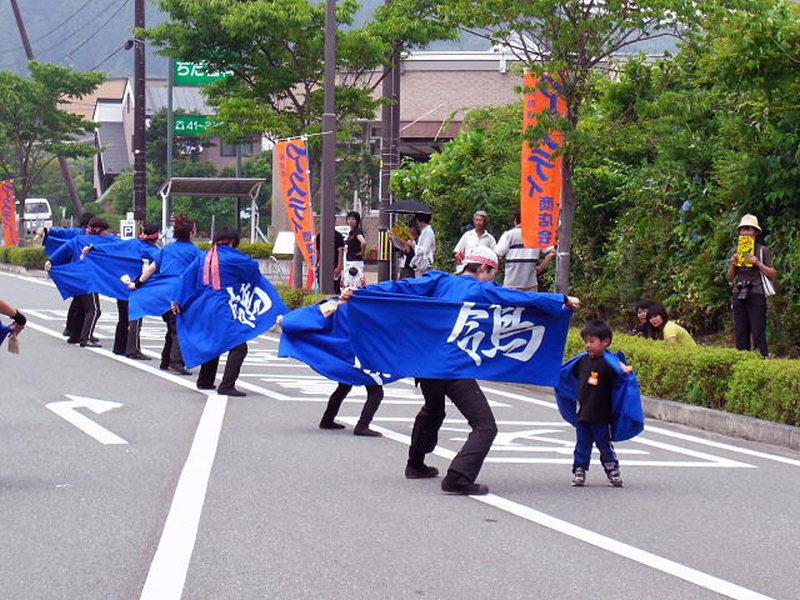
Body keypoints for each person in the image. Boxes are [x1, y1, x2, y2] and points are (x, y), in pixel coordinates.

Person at [402, 246, 579, 496]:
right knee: (485, 425)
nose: (492, 279)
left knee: (432, 409)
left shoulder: (439, 279)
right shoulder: (481, 289)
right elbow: (520, 299)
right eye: (492, 273)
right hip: (453, 367)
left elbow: (401, 289)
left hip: (426, 363)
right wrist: (560, 300)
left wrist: (361, 294)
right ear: (484, 268)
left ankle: (415, 464)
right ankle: (458, 477)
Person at [174, 226, 249, 397]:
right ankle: (227, 385)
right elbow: (252, 270)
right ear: (232, 242)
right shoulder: (234, 257)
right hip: (223, 306)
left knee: (212, 341)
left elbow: (186, 278)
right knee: (239, 346)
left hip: (202, 306)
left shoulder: (203, 257)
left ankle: (205, 380)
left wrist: (177, 300)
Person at [130, 215, 203, 374]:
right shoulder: (195, 251)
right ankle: (176, 361)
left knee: (172, 326)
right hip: (180, 292)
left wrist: (137, 284)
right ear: (191, 232)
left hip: (161, 292)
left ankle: (166, 360)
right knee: (179, 327)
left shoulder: (167, 249)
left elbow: (151, 269)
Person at [318, 260, 382, 436]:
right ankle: (362, 426)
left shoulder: (334, 304)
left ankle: (327, 419)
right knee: (376, 391)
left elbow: (311, 317)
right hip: (360, 357)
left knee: (344, 385)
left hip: (344, 356)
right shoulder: (364, 307)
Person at [568, 320, 634, 488]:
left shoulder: (608, 362)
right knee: (582, 444)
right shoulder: (581, 361)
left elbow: (620, 369)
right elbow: (567, 373)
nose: (587, 345)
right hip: (583, 413)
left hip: (601, 415)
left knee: (604, 444)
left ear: (605, 342)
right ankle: (579, 469)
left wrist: (625, 370)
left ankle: (612, 470)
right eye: (586, 341)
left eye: (592, 341)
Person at [46, 216, 111, 348]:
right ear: (98, 229)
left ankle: (75, 335)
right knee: (94, 310)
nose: (107, 233)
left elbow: (62, 250)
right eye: (105, 231)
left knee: (81, 308)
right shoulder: (101, 241)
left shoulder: (77, 239)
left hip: (77, 278)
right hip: (88, 279)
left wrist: (51, 261)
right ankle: (85, 338)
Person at [726, 214, 777, 356]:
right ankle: (743, 363)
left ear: (755, 232)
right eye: (743, 229)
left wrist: (758, 263)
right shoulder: (737, 251)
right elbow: (730, 277)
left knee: (758, 331)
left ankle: (761, 361)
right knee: (741, 332)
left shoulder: (762, 250)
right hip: (739, 292)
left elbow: (772, 273)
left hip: (756, 293)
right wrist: (733, 264)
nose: (746, 232)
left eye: (749, 229)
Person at [113, 224, 161, 360]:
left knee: (123, 317)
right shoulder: (152, 250)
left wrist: (94, 249)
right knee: (135, 318)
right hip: (136, 286)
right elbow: (159, 265)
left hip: (122, 284)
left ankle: (119, 347)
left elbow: (112, 248)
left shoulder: (131, 243)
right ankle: (133, 349)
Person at [494, 208, 556, 291]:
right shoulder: (537, 234)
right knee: (530, 304)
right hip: (530, 282)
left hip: (511, 282)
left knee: (511, 304)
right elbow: (552, 252)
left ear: (516, 220)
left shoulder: (509, 235)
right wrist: (540, 268)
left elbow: (498, 253)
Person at [316, 228, 346, 294]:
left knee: (335, 287)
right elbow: (318, 252)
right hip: (322, 266)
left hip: (335, 266)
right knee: (321, 286)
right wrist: (317, 265)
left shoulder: (338, 235)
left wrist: (339, 266)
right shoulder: (319, 235)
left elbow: (341, 252)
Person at [406, 212, 436, 277]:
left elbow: (424, 250)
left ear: (419, 220)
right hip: (420, 265)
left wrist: (412, 245)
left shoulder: (428, 232)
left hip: (425, 265)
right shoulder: (424, 231)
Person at [344, 211, 367, 278]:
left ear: (357, 221)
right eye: (348, 219)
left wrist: (362, 252)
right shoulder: (351, 232)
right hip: (350, 260)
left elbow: (363, 242)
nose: (350, 221)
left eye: (353, 219)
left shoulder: (357, 231)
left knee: (355, 280)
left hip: (355, 261)